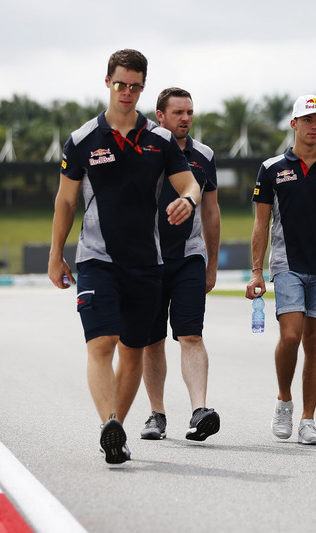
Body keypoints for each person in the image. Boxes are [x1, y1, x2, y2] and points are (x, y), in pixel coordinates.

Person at [48, 49, 201, 465]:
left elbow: (190, 184)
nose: (128, 92)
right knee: (102, 342)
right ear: (108, 82)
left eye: (135, 86)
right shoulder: (82, 141)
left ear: (143, 87)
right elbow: (65, 202)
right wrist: (55, 254)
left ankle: (115, 430)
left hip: (147, 263)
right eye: (121, 84)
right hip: (96, 258)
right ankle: (108, 423)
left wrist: (188, 200)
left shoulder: (161, 140)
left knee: (133, 350)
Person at [245, 94, 316, 445]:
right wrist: (256, 271)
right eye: (308, 120)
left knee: (315, 342)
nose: (314, 126)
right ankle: (284, 401)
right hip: (286, 265)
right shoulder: (272, 168)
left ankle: (308, 420)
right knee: (291, 336)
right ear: (294, 124)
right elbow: (261, 224)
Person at [139, 87, 221, 442]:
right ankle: (156, 415)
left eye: (189, 112)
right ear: (160, 115)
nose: (185, 118)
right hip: (149, 257)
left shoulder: (204, 155)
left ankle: (199, 411)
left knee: (191, 335)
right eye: (178, 112)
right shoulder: (144, 150)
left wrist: (211, 263)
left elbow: (212, 212)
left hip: (189, 255)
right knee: (152, 339)